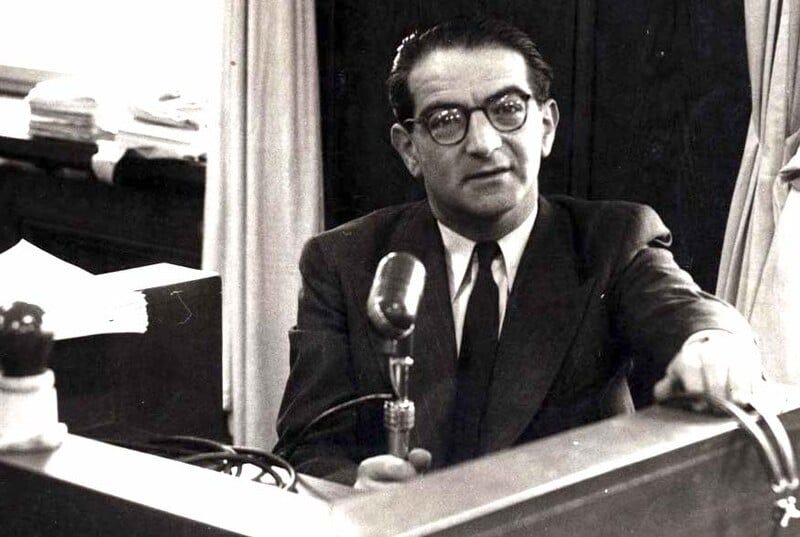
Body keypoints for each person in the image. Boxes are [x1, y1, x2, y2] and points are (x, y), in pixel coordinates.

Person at [273, 17, 762, 490]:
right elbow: (307, 447)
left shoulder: (613, 241)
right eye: (446, 120)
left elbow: (694, 316)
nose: (484, 144)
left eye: (507, 109)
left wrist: (716, 346)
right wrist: (355, 489)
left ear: (546, 126)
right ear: (409, 150)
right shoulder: (343, 261)